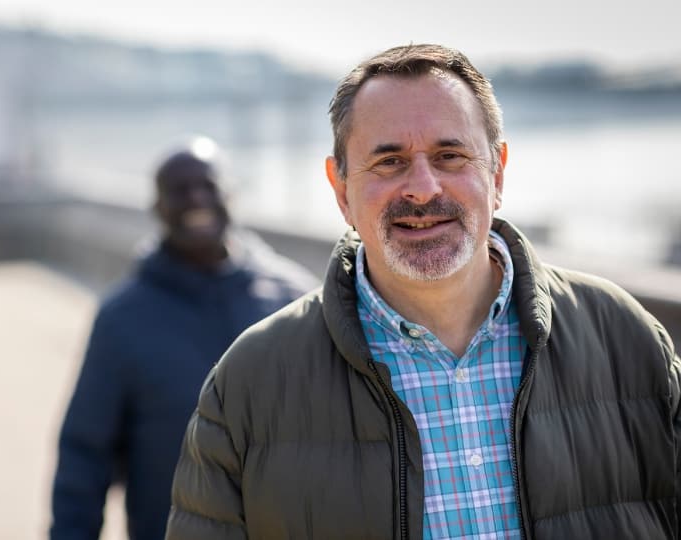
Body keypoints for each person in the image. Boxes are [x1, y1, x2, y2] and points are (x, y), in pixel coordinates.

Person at [167, 44, 681, 539]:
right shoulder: (248, 385)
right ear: (341, 190)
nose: (423, 188)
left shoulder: (626, 340)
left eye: (450, 155)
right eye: (389, 162)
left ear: (497, 172)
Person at [50, 137, 318, 539]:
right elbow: (84, 455)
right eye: (179, 190)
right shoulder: (122, 319)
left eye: (208, 185)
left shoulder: (296, 298)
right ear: (157, 207)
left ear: (231, 193)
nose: (196, 198)